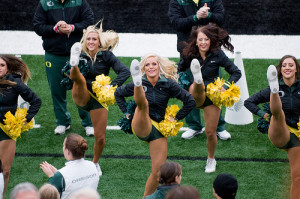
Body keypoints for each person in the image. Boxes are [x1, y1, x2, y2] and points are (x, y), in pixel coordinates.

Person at [114, 53, 195, 198]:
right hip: (141, 123)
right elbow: (118, 93)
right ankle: (138, 83)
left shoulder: (168, 84)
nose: (151, 67)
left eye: (154, 64)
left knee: (157, 171)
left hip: (158, 129)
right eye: (147, 65)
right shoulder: (140, 82)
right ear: (143, 69)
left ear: (159, 67)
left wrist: (175, 117)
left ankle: (145, 198)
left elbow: (190, 100)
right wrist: (126, 112)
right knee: (142, 105)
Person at [67, 21, 130, 175]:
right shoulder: (82, 54)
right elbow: (67, 78)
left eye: (94, 39)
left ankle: (94, 163)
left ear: (99, 41)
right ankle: (73, 63)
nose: (91, 42)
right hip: (81, 94)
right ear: (84, 41)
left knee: (100, 137)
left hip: (99, 99)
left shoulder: (106, 55)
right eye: (88, 39)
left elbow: (125, 72)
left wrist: (111, 86)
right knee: (79, 78)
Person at [179, 23, 241, 173]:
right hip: (194, 94)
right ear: (196, 41)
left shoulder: (218, 54)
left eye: (206, 39)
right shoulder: (189, 54)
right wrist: (186, 85)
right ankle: (197, 80)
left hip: (212, 98)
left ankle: (211, 159)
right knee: (195, 86)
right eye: (200, 39)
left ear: (211, 40)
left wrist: (224, 86)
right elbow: (179, 71)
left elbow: (236, 72)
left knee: (210, 133)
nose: (203, 42)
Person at [168, 0, 231, 141]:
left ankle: (219, 127)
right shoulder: (177, 0)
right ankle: (194, 126)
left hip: (211, 51)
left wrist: (208, 14)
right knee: (188, 88)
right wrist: (195, 17)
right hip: (188, 51)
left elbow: (221, 19)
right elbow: (176, 23)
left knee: (215, 88)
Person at [33, 0, 95, 135]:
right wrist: (55, 29)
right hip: (54, 54)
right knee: (57, 90)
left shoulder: (79, 2)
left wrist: (72, 27)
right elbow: (38, 26)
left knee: (83, 89)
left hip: (79, 53)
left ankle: (88, 123)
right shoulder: (45, 3)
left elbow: (89, 22)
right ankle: (62, 122)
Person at [244, 55, 300, 199]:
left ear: (296, 70)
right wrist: (263, 115)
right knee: (278, 113)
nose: (287, 67)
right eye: (284, 65)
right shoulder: (272, 87)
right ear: (280, 70)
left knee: (297, 178)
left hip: (297, 137)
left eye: (291, 65)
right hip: (280, 130)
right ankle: (275, 92)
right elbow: (249, 102)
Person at [0, 55, 42, 198]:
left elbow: (36, 101)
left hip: (7, 130)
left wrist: (26, 119)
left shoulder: (14, 83)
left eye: (1, 65)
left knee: (5, 170)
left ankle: (2, 195)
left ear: (8, 68)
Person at [40, 133, 100, 199]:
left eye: (63, 145)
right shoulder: (93, 166)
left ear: (68, 151)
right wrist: (58, 174)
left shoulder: (60, 176)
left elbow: (51, 196)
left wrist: (52, 178)